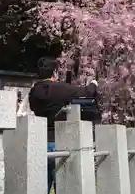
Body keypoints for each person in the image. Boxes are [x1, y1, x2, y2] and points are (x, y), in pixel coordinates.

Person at [28, 57, 98, 194]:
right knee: (64, 185)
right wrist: (94, 84)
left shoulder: (34, 92)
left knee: (40, 185)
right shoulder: (60, 89)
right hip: (59, 142)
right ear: (54, 72)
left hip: (39, 142)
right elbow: (86, 92)